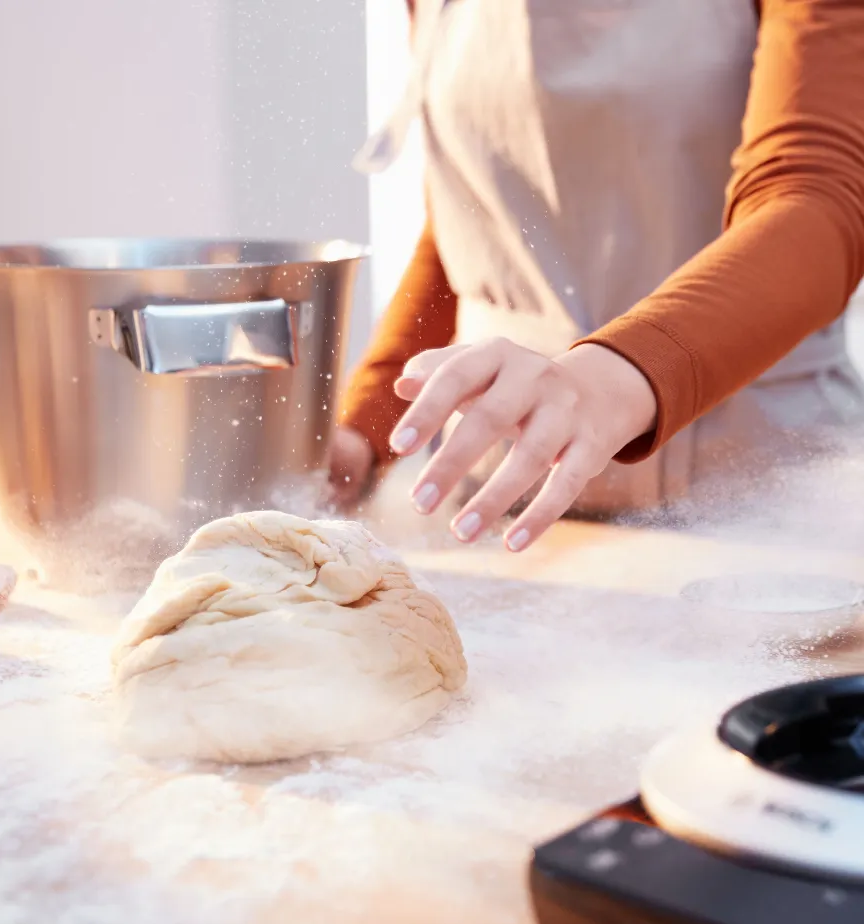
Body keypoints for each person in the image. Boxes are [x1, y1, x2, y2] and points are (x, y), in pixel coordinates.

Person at [329, 0, 864, 553]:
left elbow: (818, 203)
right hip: (510, 494)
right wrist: (367, 429)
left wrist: (613, 374)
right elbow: (480, 221)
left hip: (756, 491)